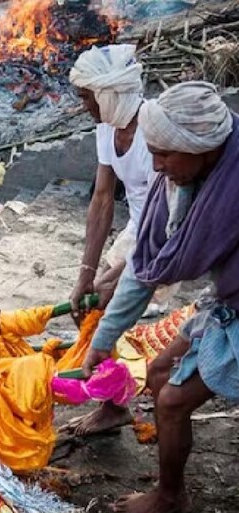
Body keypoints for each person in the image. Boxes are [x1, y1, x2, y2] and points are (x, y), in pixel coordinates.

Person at [83, 82, 239, 513]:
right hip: (228, 300)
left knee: (170, 402)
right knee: (157, 372)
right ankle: (171, 478)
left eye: (165, 155)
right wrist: (103, 338)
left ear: (200, 147)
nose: (156, 166)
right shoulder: (189, 178)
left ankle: (171, 497)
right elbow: (145, 267)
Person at [65, 44, 177, 436]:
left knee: (108, 302)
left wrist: (120, 273)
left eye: (87, 97)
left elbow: (166, 216)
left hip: (170, 230)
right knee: (94, 300)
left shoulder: (154, 131)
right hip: (140, 228)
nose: (84, 107)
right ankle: (112, 402)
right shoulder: (107, 129)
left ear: (109, 93)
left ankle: (116, 403)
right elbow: (101, 199)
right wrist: (86, 272)